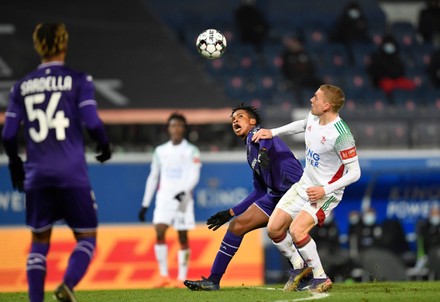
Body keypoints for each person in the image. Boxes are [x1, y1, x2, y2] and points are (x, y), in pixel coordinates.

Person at [1, 22, 112, 302]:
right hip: (71, 172)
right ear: (64, 43)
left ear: (38, 46)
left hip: (36, 175)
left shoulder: (21, 87)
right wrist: (103, 144)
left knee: (39, 242)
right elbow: (92, 122)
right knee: (87, 237)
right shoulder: (78, 80)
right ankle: (67, 285)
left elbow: (9, 133)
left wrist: (15, 163)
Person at [252, 84, 361, 293]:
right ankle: (299, 267)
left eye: (316, 97)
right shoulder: (313, 117)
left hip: (326, 192)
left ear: (327, 105)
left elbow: (355, 172)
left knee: (297, 230)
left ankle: (321, 278)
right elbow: (301, 125)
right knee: (273, 229)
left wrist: (325, 190)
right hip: (304, 184)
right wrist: (272, 133)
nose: (311, 100)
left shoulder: (341, 135)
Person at [183, 104, 304, 291]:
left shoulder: (260, 135)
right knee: (237, 226)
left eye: (240, 116)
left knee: (284, 231)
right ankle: (213, 280)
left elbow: (265, 139)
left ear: (252, 121)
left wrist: (263, 153)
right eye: (232, 119)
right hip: (278, 196)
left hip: (297, 192)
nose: (235, 120)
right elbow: (259, 191)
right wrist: (230, 212)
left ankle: (308, 274)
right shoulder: (250, 153)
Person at [138, 113, 201, 288]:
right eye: (173, 125)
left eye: (180, 125)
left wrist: (184, 191)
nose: (176, 129)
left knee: (182, 235)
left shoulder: (192, 150)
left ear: (184, 128)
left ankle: (181, 278)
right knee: (159, 231)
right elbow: (153, 177)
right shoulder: (160, 151)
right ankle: (163, 275)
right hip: (164, 196)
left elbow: (195, 175)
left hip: (183, 199)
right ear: (168, 128)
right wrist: (145, 203)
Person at [280, 36, 323, 101]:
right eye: (293, 43)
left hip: (306, 77)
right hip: (294, 79)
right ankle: (300, 106)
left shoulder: (304, 53)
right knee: (296, 86)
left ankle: (321, 102)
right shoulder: (287, 55)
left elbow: (311, 67)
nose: (295, 45)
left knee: (321, 84)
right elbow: (286, 70)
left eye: (297, 43)